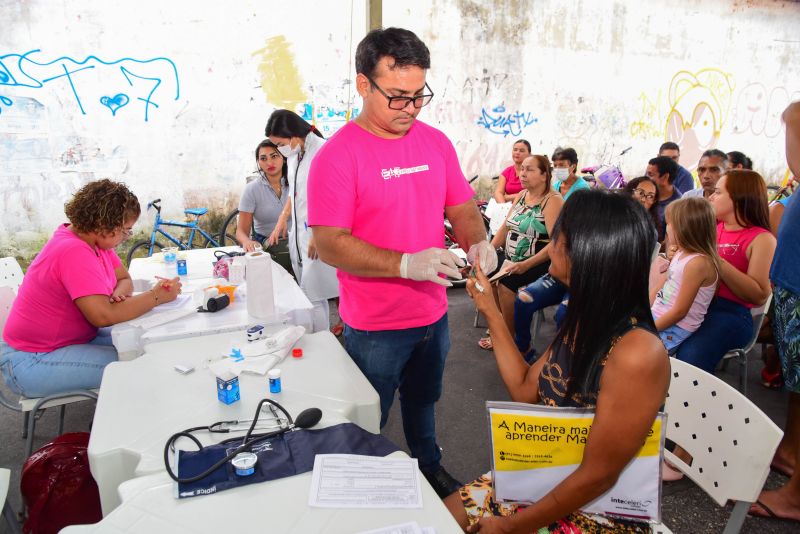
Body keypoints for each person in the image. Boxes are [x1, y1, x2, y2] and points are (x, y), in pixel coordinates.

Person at [307, 27, 496, 498]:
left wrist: (479, 242)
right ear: (363, 84)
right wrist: (405, 264)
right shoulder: (337, 156)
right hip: (374, 324)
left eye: (419, 96)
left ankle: (428, 466)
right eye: (397, 97)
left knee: (424, 400)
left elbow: (463, 208)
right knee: (369, 413)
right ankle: (356, 485)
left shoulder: (434, 143)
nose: (410, 108)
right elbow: (329, 242)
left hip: (433, 314)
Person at [448, 189, 669, 533]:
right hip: (549, 475)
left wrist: (513, 527)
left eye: (557, 239)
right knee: (436, 519)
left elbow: (598, 477)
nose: (550, 246)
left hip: (596, 510)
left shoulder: (637, 353)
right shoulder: (586, 317)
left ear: (588, 253)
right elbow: (525, 389)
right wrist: (491, 311)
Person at [1, 180, 181, 398]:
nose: (125, 238)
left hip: (70, 340)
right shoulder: (73, 250)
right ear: (105, 226)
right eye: (125, 231)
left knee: (145, 343)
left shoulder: (93, 241)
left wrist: (118, 293)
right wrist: (156, 296)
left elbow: (124, 278)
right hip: (33, 358)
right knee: (137, 366)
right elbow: (103, 315)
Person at [750, 101, 800, 524]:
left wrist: (792, 115)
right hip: (793, 286)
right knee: (796, 386)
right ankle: (789, 453)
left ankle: (797, 495)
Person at [673, 170, 776, 374]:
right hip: (696, 303)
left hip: (732, 313)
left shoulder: (762, 239)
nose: (710, 197)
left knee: (690, 356)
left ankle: (689, 403)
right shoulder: (712, 227)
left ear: (738, 198)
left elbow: (759, 295)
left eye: (718, 192)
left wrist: (716, 260)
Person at [477, 155, 563, 351]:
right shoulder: (522, 195)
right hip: (513, 257)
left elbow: (556, 243)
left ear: (544, 175)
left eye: (530, 169)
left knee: (506, 282)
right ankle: (500, 327)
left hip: (539, 261)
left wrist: (525, 264)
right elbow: (505, 227)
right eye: (522, 169)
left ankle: (510, 338)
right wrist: (488, 251)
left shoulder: (553, 200)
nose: (522, 173)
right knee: (486, 272)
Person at [265, 110, 339, 332]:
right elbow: (295, 192)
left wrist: (318, 235)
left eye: (280, 143)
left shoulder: (323, 152)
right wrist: (282, 219)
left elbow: (333, 197)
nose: (279, 150)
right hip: (299, 234)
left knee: (312, 294)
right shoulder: (294, 154)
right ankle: (321, 338)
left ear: (294, 134)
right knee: (313, 295)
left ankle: (321, 342)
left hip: (316, 235)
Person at [650, 198, 719, 353]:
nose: (666, 228)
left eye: (669, 223)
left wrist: (647, 328)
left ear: (683, 228)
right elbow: (664, 284)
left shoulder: (698, 264)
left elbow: (680, 312)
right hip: (658, 314)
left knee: (633, 352)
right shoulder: (681, 253)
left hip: (674, 327)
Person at [236, 139, 289, 252]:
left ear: (284, 158)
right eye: (263, 158)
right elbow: (241, 232)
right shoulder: (252, 189)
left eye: (274, 156)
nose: (269, 163)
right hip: (266, 246)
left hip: (297, 242)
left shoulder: (296, 184)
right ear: (258, 163)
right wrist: (247, 242)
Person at [646, 155, 680, 242]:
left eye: (650, 175)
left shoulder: (678, 206)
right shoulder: (643, 194)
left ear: (665, 177)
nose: (646, 178)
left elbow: (669, 242)